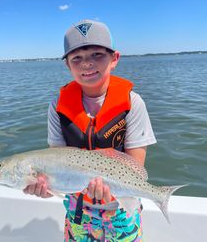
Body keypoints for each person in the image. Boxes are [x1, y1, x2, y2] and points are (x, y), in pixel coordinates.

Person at [24, 19, 157, 241]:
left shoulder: (133, 103)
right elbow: (55, 164)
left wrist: (111, 190)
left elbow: (136, 169)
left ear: (114, 58)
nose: (87, 64)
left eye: (97, 54)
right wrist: (43, 189)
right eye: (77, 58)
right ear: (67, 64)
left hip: (121, 209)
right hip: (77, 211)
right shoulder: (57, 106)